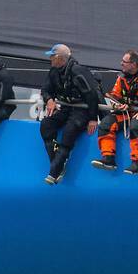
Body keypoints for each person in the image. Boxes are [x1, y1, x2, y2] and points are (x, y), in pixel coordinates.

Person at [92, 50, 138, 175]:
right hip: (127, 113)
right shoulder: (121, 78)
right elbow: (114, 95)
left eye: (124, 62)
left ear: (134, 64)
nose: (121, 64)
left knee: (135, 126)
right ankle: (108, 159)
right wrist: (116, 104)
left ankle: (137, 163)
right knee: (105, 124)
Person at [39, 43, 100, 184]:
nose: (50, 59)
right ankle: (58, 162)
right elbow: (45, 89)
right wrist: (49, 100)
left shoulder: (78, 71)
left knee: (69, 132)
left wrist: (92, 118)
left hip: (82, 109)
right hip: (66, 107)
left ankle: (54, 172)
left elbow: (92, 96)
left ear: (60, 58)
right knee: (46, 125)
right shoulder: (54, 71)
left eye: (52, 57)